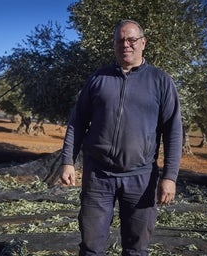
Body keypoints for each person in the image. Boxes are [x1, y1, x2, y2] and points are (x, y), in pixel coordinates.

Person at [60, 19, 182, 255]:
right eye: (120, 40)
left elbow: (173, 131)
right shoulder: (98, 79)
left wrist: (170, 176)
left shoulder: (160, 81)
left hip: (141, 177)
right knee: (91, 246)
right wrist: (68, 161)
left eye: (131, 39)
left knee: (136, 248)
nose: (126, 44)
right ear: (114, 45)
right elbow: (77, 122)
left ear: (143, 43)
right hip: (98, 176)